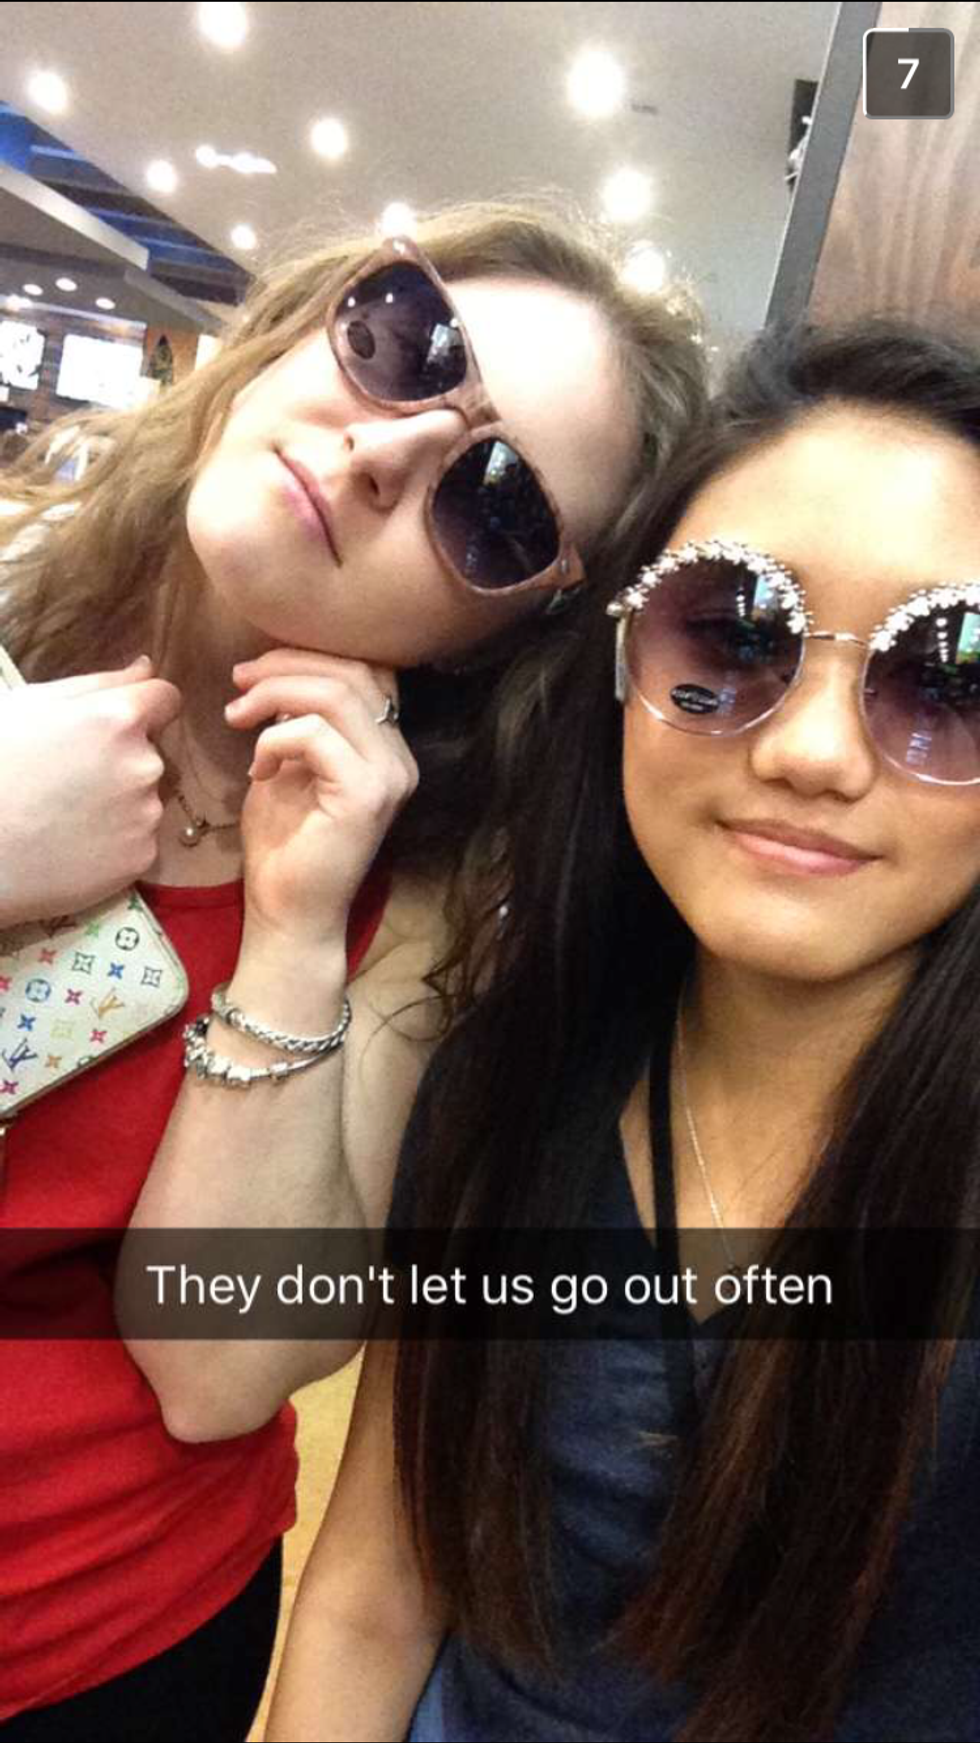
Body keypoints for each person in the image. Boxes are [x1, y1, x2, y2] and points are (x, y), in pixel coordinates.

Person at [0, 203, 706, 1740]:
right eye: (404, 341)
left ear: (498, 634)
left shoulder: (429, 896)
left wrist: (295, 922)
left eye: (495, 504)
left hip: (103, 1644)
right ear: (304, 320)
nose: (387, 453)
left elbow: (217, 1368)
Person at [266, 319, 980, 1743]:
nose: (812, 752)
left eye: (950, 676)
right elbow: (376, 1594)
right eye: (736, 634)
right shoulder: (511, 1079)